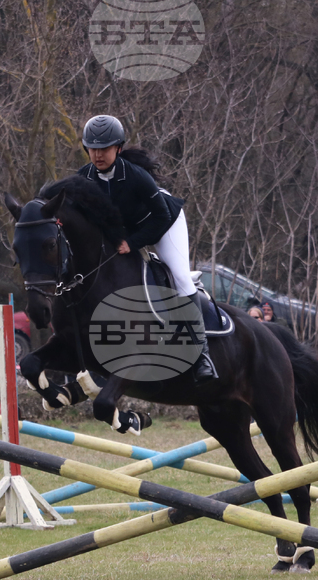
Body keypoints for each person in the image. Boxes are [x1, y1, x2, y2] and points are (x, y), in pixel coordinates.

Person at [78, 114, 216, 384]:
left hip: (163, 221)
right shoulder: (84, 177)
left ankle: (201, 356)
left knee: (179, 277)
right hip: (130, 228)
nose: (97, 154)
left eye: (104, 148)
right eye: (92, 148)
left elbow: (161, 217)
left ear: (118, 148)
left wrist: (133, 243)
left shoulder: (136, 176)